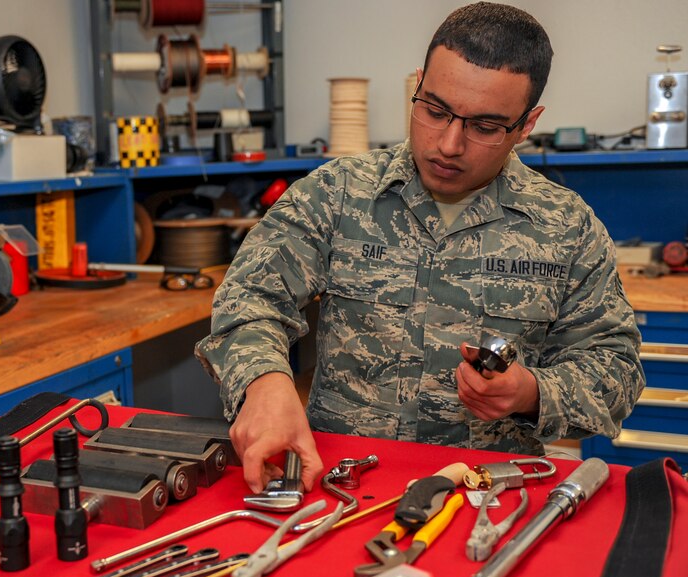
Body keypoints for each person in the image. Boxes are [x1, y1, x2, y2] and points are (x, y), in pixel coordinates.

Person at [195, 2, 645, 494]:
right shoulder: (337, 194)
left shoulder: (566, 226)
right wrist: (264, 381)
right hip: (342, 484)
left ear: (527, 125)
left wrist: (533, 392)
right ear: (417, 85)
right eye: (434, 110)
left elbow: (614, 367)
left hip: (486, 496)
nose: (449, 144)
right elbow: (249, 298)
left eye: (486, 127)